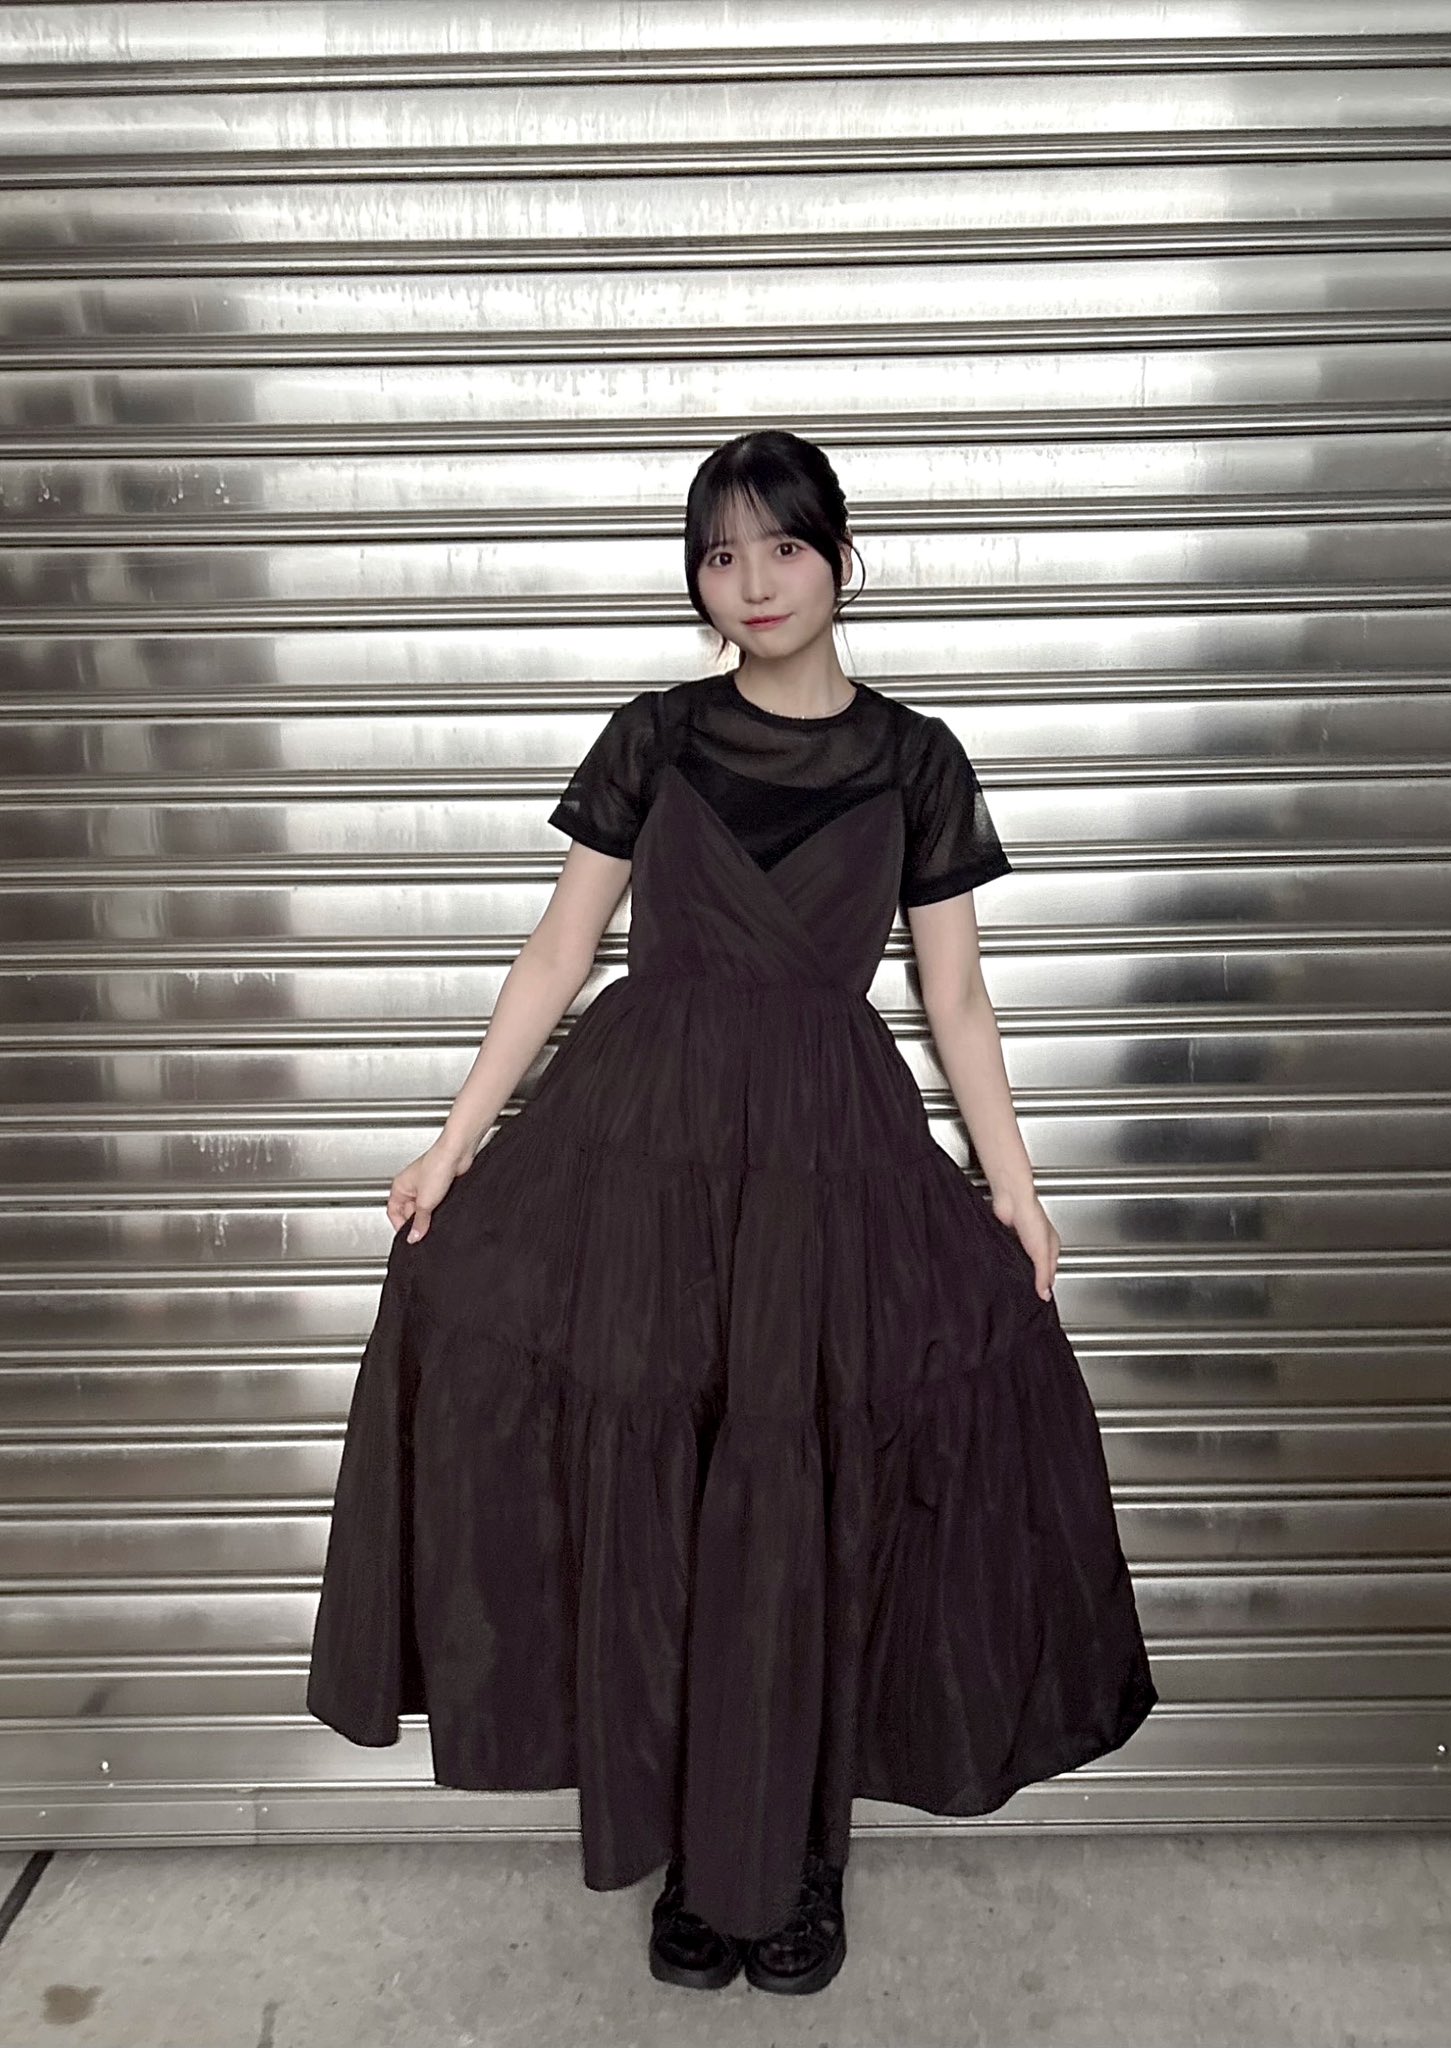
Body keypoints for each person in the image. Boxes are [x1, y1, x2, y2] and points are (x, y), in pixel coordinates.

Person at [306, 428, 1157, 1998]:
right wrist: (451, 1146)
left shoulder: (916, 759)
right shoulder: (656, 736)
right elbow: (559, 951)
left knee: (801, 1493)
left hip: (826, 1157)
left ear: (843, 559)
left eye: (781, 546)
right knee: (671, 1495)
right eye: (718, 553)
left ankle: (801, 1850)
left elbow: (958, 996)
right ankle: (702, 1853)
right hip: (646, 1149)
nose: (751, 582)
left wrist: (1017, 1193)